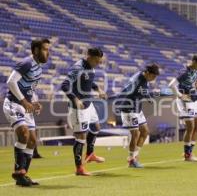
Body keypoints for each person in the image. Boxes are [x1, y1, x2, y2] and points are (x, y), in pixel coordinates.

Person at [3, 38, 50, 186]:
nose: (48, 53)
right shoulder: (26, 63)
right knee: (24, 134)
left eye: (48, 50)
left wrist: (33, 102)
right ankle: (18, 172)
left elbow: (30, 88)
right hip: (14, 104)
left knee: (32, 141)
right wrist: (24, 101)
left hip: (26, 106)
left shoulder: (39, 68)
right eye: (45, 49)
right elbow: (11, 82)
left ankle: (23, 176)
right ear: (36, 50)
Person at [61, 47, 106, 176]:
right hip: (78, 108)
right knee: (81, 137)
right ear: (89, 57)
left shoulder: (90, 67)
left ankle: (90, 154)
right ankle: (79, 168)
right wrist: (75, 99)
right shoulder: (78, 68)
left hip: (88, 104)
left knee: (96, 127)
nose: (99, 63)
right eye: (97, 61)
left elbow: (89, 81)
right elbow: (64, 85)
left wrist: (99, 89)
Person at [117, 63, 159, 168]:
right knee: (135, 133)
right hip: (129, 108)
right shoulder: (138, 81)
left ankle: (134, 156)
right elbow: (127, 92)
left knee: (145, 132)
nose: (153, 79)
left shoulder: (144, 78)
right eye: (153, 76)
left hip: (137, 109)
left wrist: (149, 98)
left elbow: (144, 91)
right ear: (148, 73)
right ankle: (131, 160)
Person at [169, 53, 197, 161]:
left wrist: (196, 87)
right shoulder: (184, 72)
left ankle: (189, 151)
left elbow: (192, 84)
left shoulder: (196, 71)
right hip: (184, 102)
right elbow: (171, 85)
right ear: (194, 61)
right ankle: (187, 154)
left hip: (192, 100)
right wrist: (180, 96)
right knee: (190, 126)